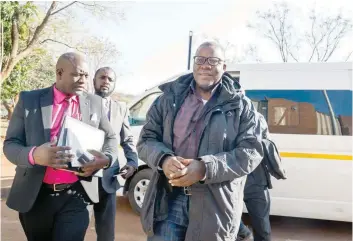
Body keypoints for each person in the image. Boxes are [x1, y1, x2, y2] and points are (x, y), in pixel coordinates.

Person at [137, 41, 264, 241]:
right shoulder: (168, 100)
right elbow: (146, 140)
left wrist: (205, 168)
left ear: (224, 67)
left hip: (215, 205)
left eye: (213, 60)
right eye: (200, 59)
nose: (205, 65)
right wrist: (164, 160)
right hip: (169, 200)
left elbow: (251, 152)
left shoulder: (241, 106)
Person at [3, 52, 118, 241]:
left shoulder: (94, 103)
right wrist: (34, 155)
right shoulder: (29, 100)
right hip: (36, 195)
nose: (84, 80)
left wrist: (106, 160)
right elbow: (10, 144)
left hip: (77, 193)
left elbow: (111, 138)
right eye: (77, 74)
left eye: (87, 75)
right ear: (59, 73)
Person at [92, 66, 139, 241]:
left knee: (106, 233)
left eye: (110, 79)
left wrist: (133, 163)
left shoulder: (121, 108)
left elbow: (127, 140)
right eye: (102, 77)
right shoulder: (81, 102)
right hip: (82, 179)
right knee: (75, 229)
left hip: (108, 178)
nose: (106, 81)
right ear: (94, 81)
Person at [236, 113, 272, 241]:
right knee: (229, 219)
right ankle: (244, 232)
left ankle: (244, 233)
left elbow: (262, 143)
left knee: (261, 225)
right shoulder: (225, 116)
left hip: (254, 178)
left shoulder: (256, 117)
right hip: (236, 179)